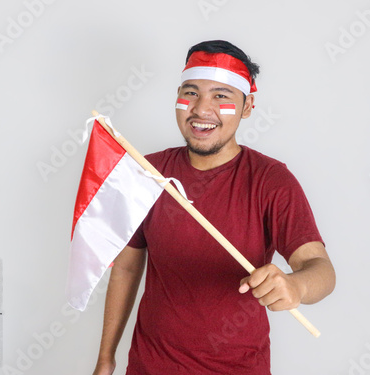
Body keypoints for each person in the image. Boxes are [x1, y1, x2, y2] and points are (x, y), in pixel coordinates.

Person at [92, 40, 335, 375]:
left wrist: (297, 286)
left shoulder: (271, 180)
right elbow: (127, 269)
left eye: (221, 96)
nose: (201, 109)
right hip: (149, 366)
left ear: (247, 106)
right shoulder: (146, 173)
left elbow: (319, 267)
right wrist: (106, 358)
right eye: (191, 92)